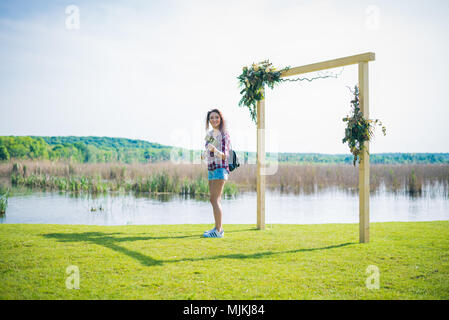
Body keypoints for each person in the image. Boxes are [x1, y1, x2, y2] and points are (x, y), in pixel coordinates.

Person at [201, 108, 231, 238]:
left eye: (216, 117)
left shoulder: (224, 134)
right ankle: (217, 227)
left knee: (215, 199)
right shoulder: (209, 135)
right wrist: (204, 154)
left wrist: (215, 150)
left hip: (220, 168)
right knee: (212, 199)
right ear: (209, 120)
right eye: (211, 118)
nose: (214, 119)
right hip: (211, 169)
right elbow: (207, 151)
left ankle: (219, 231)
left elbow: (225, 155)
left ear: (221, 119)